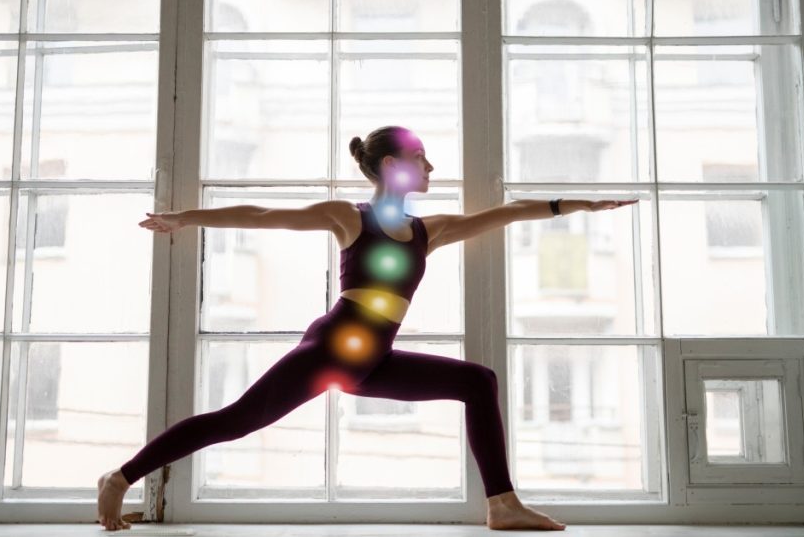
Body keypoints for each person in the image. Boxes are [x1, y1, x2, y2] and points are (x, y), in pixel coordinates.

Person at [97, 125, 636, 531]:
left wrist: (577, 205)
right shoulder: (349, 217)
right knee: (236, 421)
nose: (431, 166)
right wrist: (186, 218)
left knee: (479, 381)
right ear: (389, 166)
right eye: (420, 158)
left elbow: (510, 212)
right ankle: (119, 479)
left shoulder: (432, 229)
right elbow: (263, 216)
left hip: (374, 359)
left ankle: (502, 504)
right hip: (333, 349)